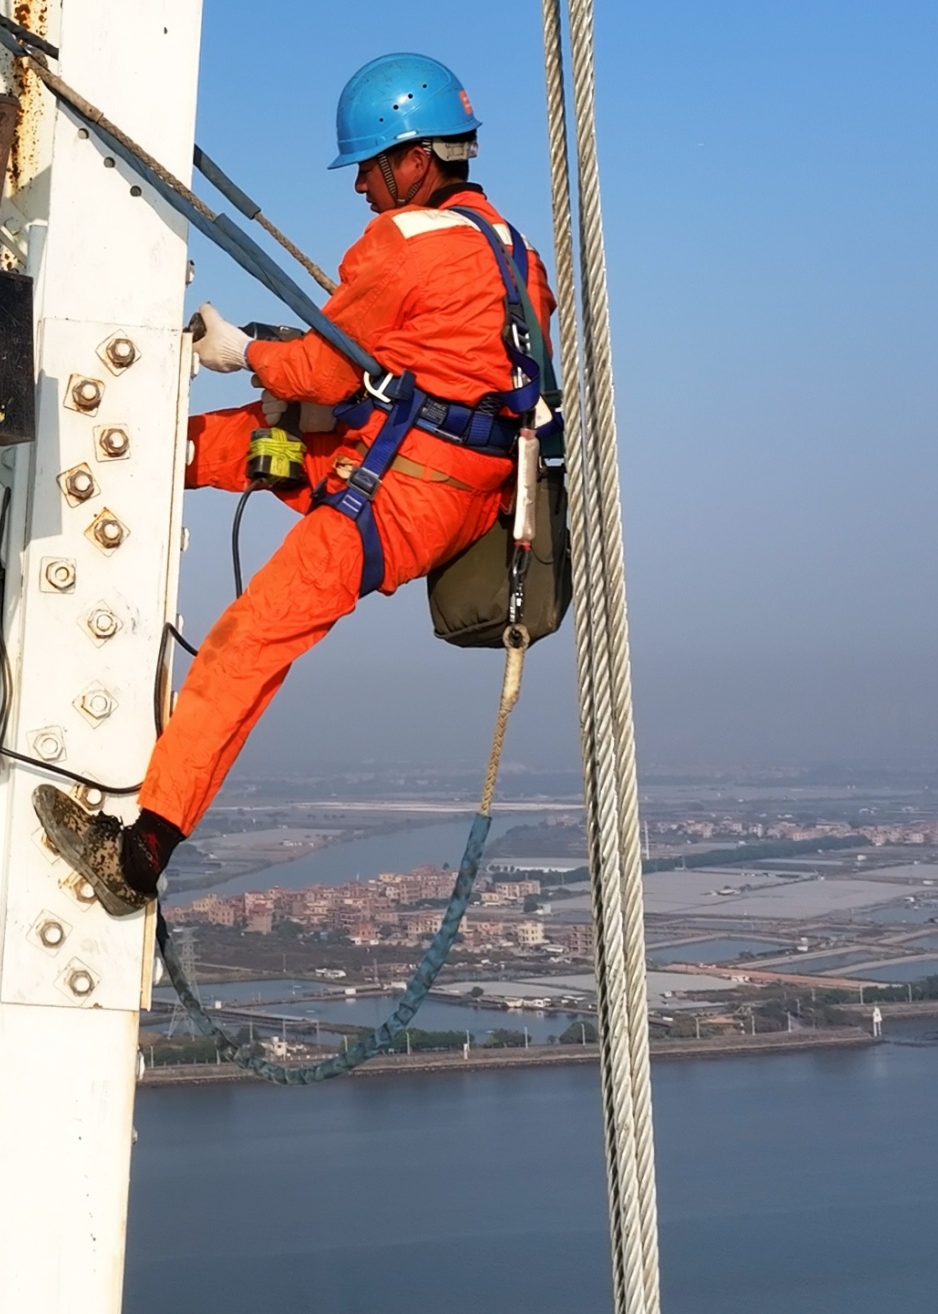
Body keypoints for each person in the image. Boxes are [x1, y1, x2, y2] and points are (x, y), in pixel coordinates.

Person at [35, 53, 555, 915]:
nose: (360, 187)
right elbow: (434, 366)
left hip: (401, 484)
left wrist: (242, 351)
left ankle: (139, 851)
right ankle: (133, 455)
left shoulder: (402, 243)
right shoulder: (510, 249)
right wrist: (291, 379)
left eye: (369, 165)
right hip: (466, 485)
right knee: (239, 441)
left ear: (415, 160)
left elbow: (322, 367)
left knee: (250, 640)